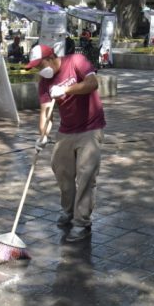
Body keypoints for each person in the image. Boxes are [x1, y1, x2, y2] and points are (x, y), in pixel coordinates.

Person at [26, 44, 106, 242]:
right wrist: (42, 135)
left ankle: (81, 222)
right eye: (36, 67)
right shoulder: (44, 82)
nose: (39, 70)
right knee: (61, 171)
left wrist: (66, 88)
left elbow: (92, 83)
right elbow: (46, 112)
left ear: (52, 57)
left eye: (40, 64)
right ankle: (68, 211)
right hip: (67, 130)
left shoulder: (76, 61)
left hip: (90, 127)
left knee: (86, 175)